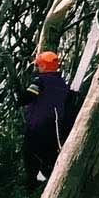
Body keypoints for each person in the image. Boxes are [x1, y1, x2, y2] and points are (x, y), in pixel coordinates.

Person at [19, 50, 80, 186]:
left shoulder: (40, 81)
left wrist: (19, 95)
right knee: (49, 156)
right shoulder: (62, 84)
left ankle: (31, 184)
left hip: (36, 126)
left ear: (44, 66)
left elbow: (27, 97)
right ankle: (54, 183)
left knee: (30, 154)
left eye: (39, 65)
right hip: (54, 127)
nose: (38, 68)